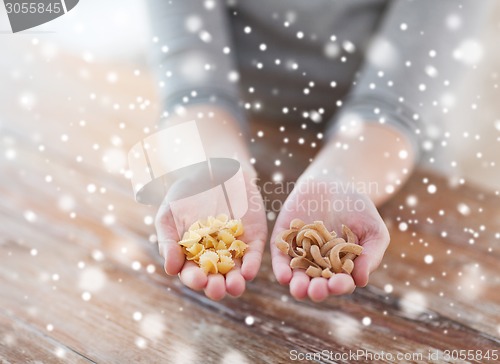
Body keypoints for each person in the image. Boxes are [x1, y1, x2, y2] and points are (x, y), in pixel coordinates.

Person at [145, 0, 492, 302]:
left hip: (381, 157)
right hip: (244, 131)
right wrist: (214, 169)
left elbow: (393, 109)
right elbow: (193, 92)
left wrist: (340, 177)